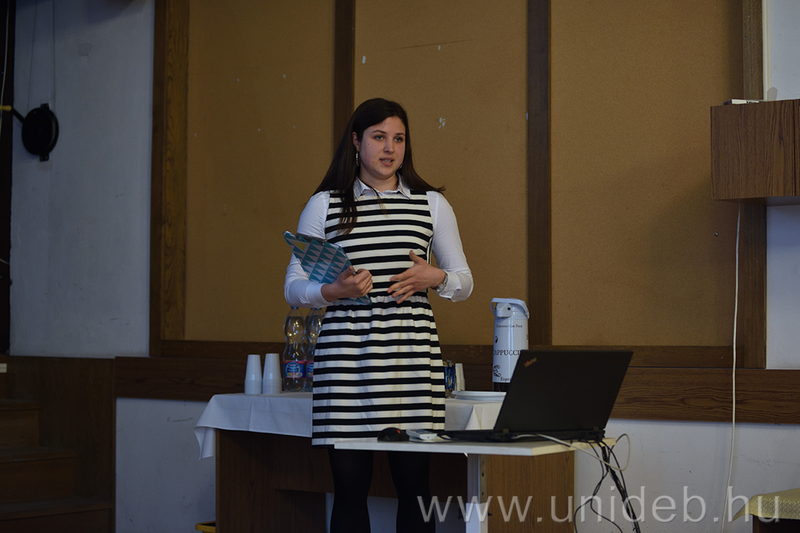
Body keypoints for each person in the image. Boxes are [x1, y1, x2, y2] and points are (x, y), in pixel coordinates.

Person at [284, 97, 473, 533]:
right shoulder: (325, 204)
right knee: (350, 490)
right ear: (356, 141)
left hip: (411, 355)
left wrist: (435, 277)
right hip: (345, 358)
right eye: (379, 137)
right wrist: (334, 290)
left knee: (415, 487)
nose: (390, 148)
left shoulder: (431, 203)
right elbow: (293, 286)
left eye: (399, 139)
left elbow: (464, 282)